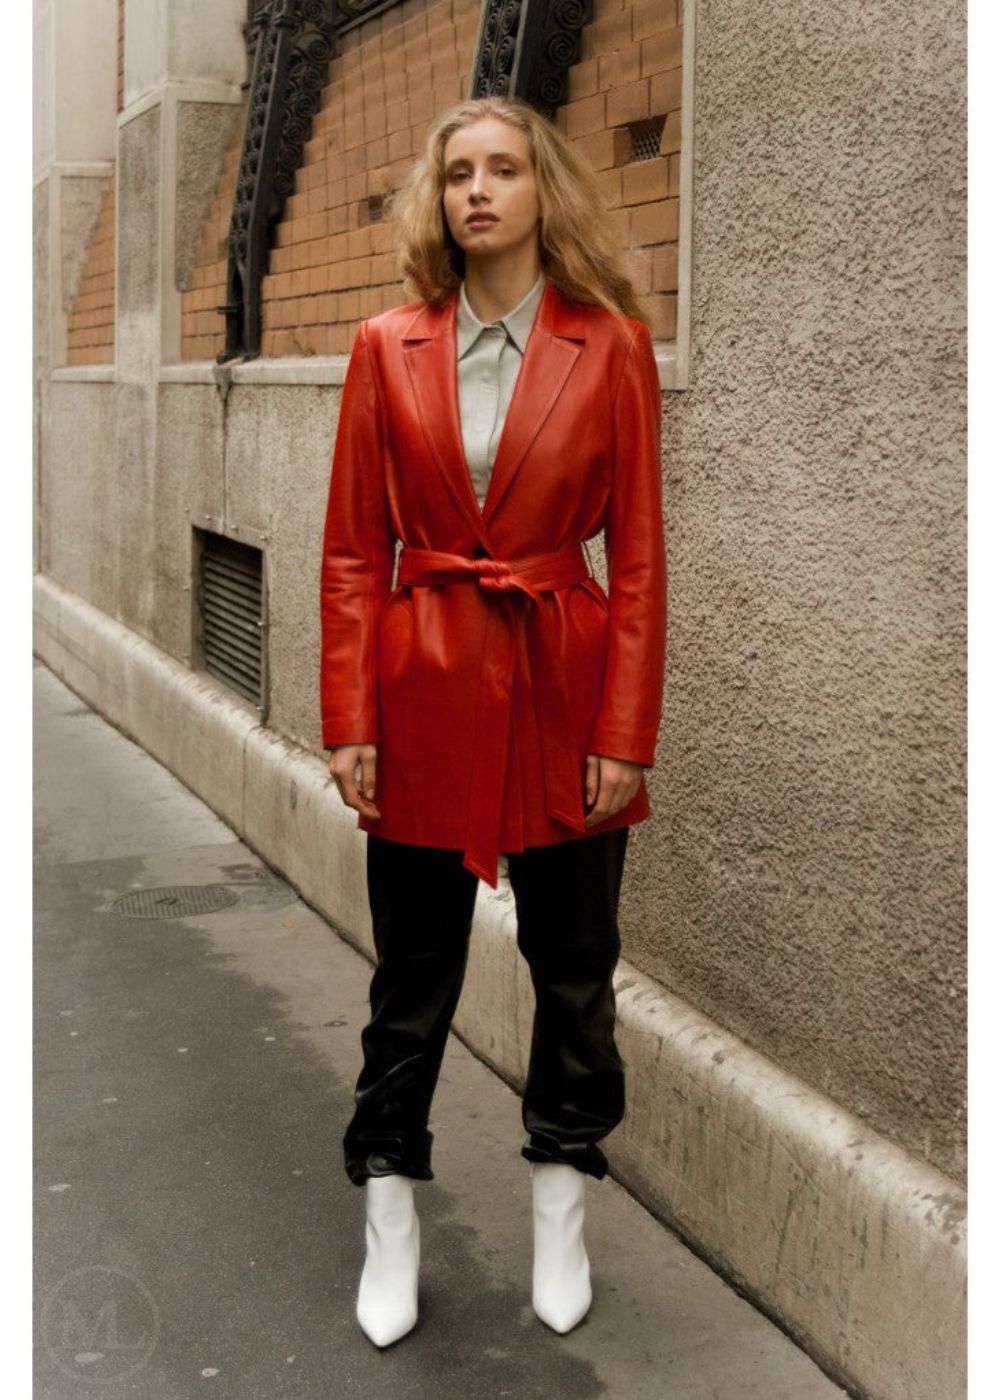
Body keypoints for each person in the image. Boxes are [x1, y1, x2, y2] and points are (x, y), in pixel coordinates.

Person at [319, 94, 667, 1347]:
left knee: (573, 971)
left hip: (566, 691)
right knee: (412, 975)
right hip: (417, 692)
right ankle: (390, 1213)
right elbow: (356, 551)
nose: (478, 190)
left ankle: (561, 1200)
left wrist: (626, 730)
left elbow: (636, 560)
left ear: (541, 190)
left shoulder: (611, 346)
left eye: (503, 169)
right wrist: (347, 712)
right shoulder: (383, 344)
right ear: (439, 196)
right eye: (457, 171)